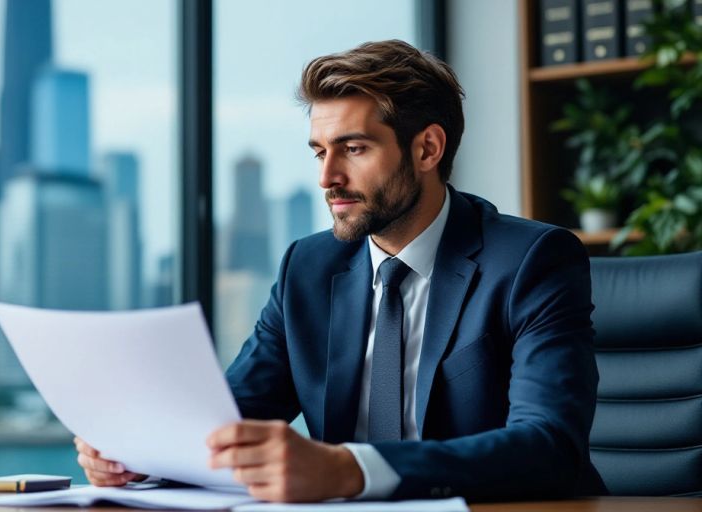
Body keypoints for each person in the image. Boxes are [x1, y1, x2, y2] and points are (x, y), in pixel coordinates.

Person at [74, 39, 607, 502]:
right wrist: (138, 451)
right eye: (319, 152)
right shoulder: (307, 266)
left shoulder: (532, 260)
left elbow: (548, 446)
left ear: (427, 148)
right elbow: (227, 420)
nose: (328, 177)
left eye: (353, 148)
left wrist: (348, 470)